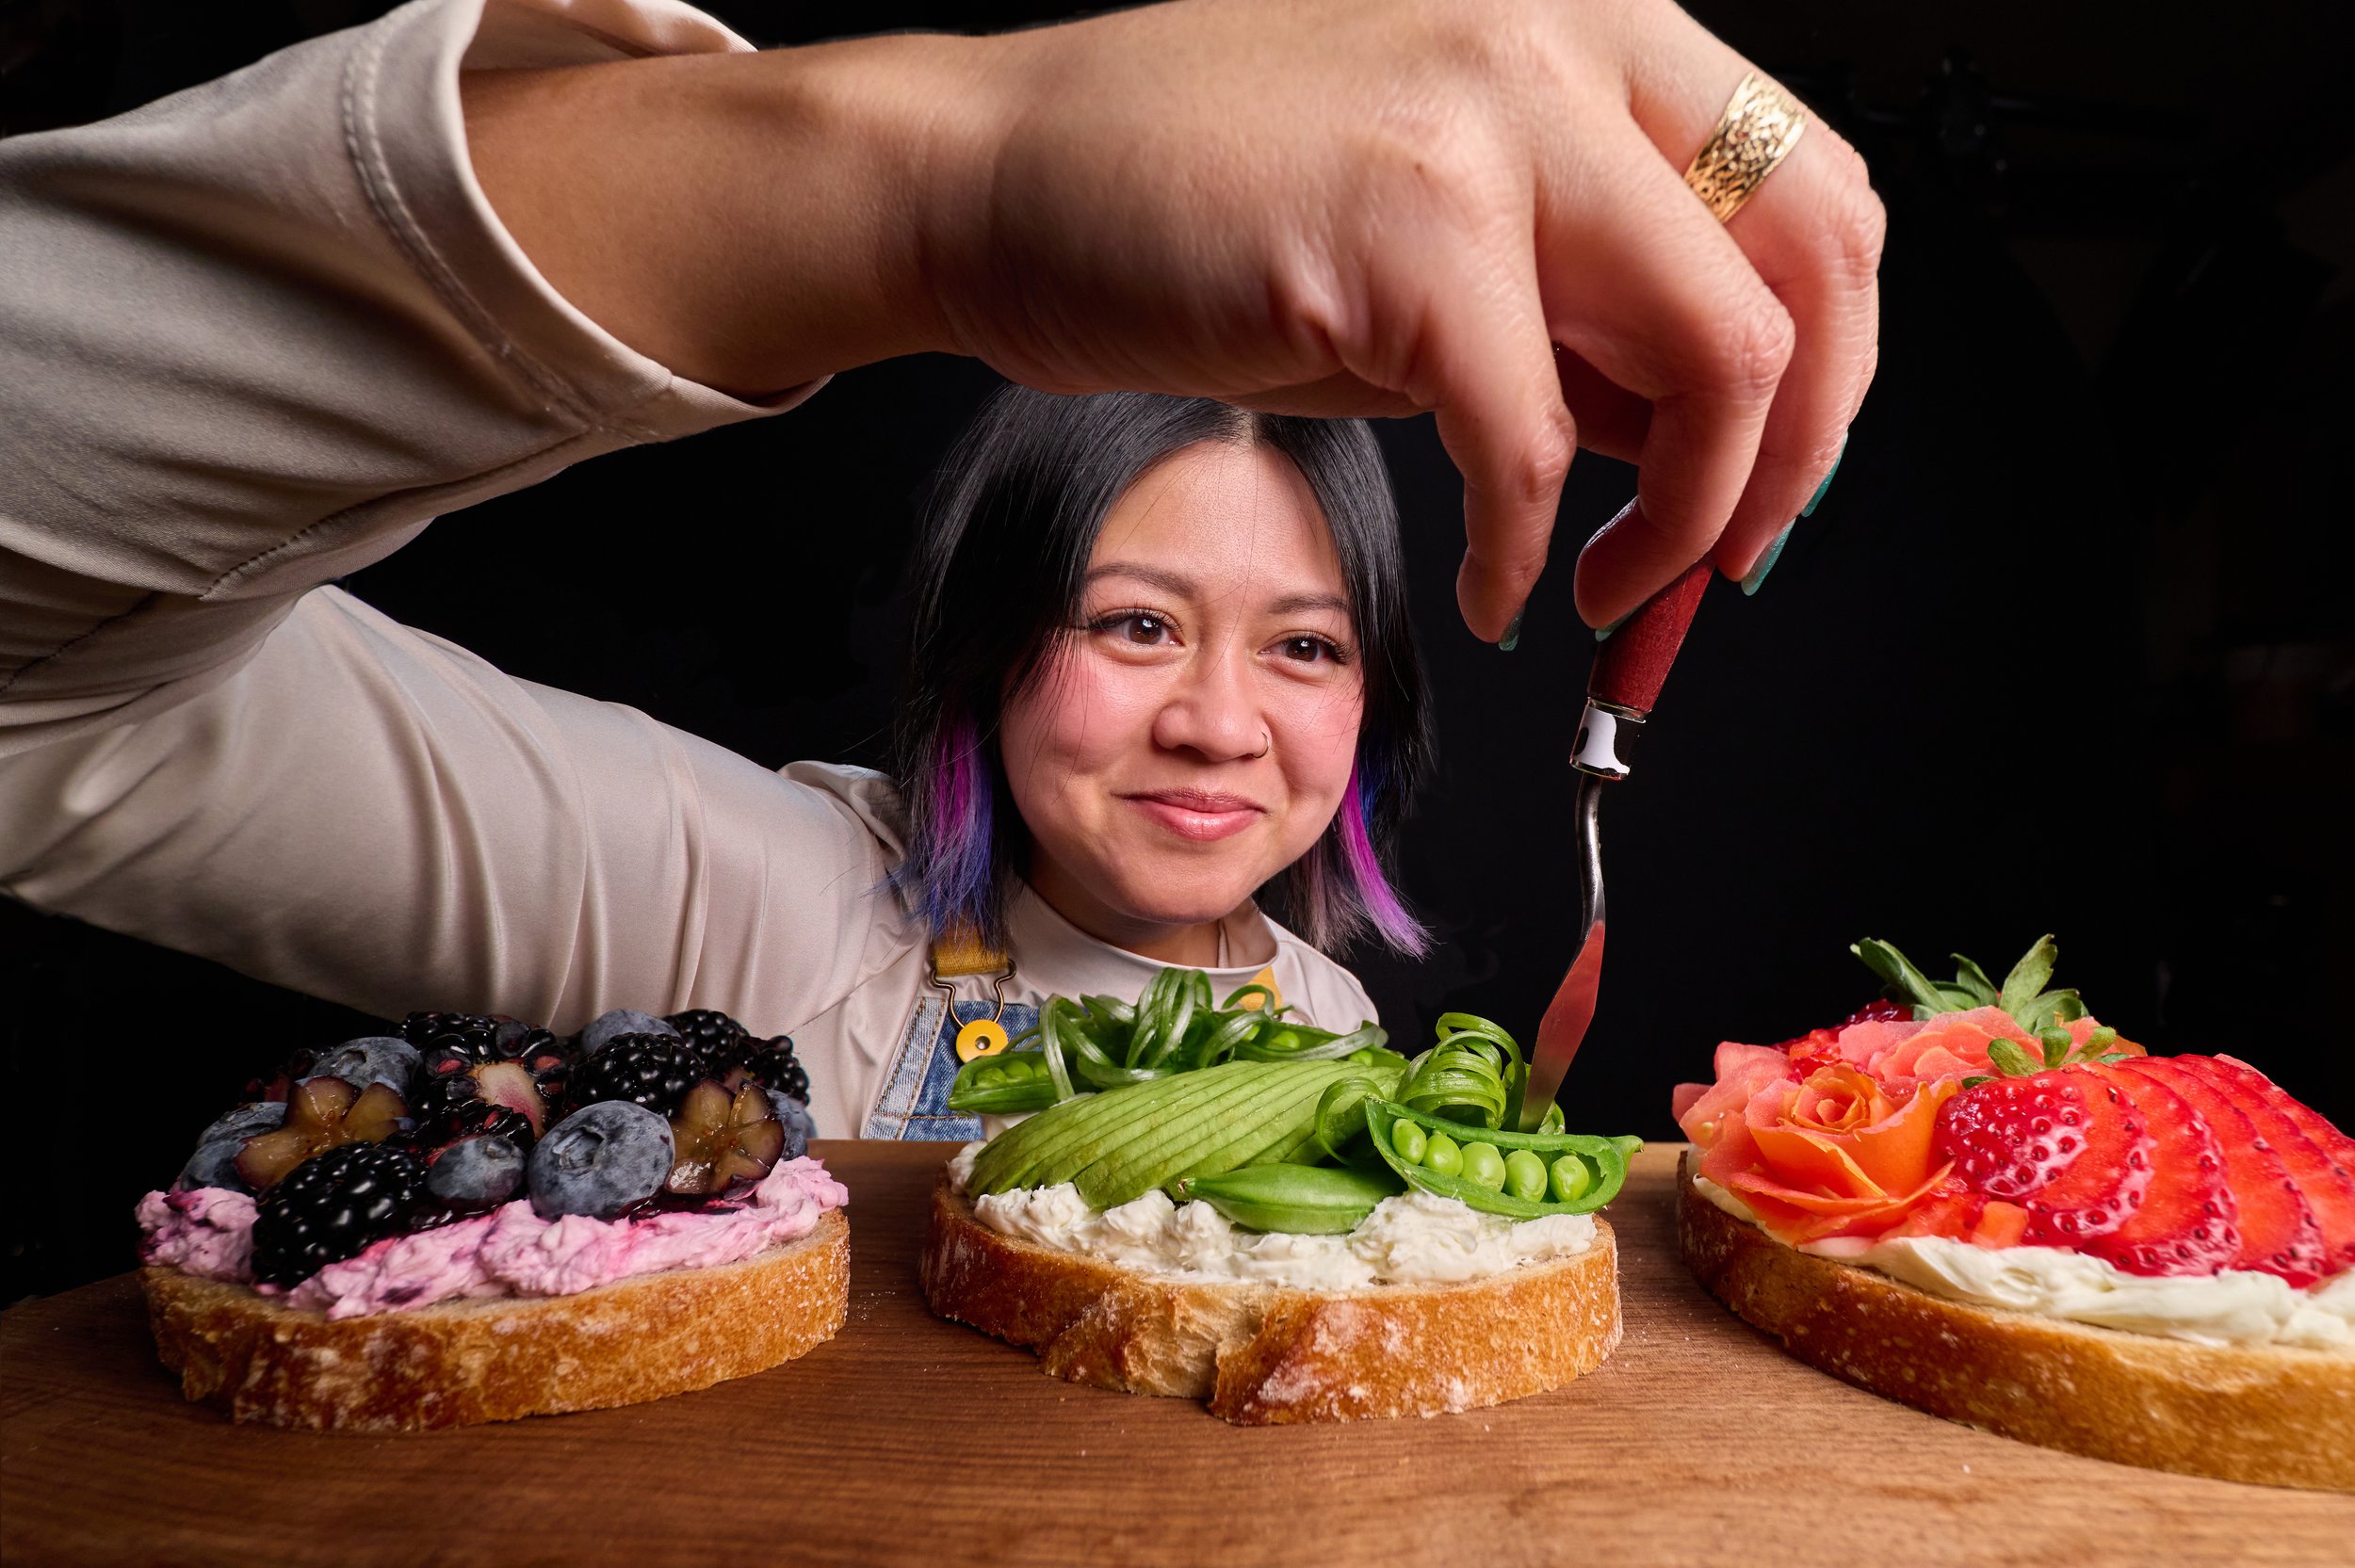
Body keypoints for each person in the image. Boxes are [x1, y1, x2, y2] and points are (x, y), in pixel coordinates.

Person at [0, 0, 1882, 1138]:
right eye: (1132, 622)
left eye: (1299, 646)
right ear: (988, 645)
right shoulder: (775, 910)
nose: (1217, 720)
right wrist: (928, 189)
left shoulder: (1323, 1028)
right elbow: (44, 697)